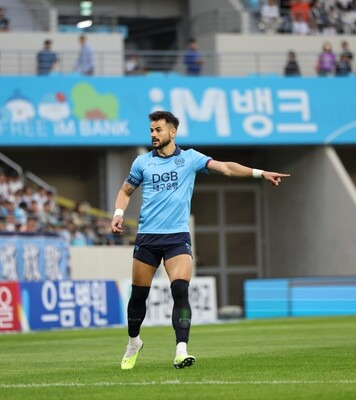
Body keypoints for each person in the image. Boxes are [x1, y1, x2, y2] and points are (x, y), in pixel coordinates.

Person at [111, 111, 290, 370]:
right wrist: (118, 213)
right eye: (151, 130)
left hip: (176, 238)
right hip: (148, 237)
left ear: (172, 132)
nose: (153, 134)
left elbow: (226, 168)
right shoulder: (141, 163)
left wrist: (259, 173)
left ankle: (181, 351)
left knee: (180, 290)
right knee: (138, 297)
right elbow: (125, 191)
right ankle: (133, 343)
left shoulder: (190, 158)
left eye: (158, 130)